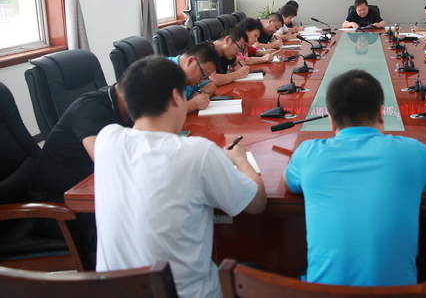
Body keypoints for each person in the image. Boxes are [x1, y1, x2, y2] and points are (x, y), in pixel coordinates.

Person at [94, 56, 266, 298]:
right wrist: (240, 159)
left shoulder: (106, 139)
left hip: (113, 292)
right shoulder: (198, 153)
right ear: (177, 97)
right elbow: (257, 203)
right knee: (256, 272)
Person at [283, 69, 426, 287]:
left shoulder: (307, 153)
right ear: (381, 113)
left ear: (331, 120)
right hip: (399, 294)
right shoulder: (412, 151)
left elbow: (289, 184)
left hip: (325, 293)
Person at [29, 81, 132, 267]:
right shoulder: (90, 109)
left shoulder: (125, 107)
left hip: (84, 194)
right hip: (53, 208)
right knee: (130, 231)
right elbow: (108, 164)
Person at [166, 42, 219, 112]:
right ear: (190, 61)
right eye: (203, 75)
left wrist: (197, 93)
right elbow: (157, 113)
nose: (202, 81)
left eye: (205, 77)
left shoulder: (189, 77)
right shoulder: (160, 71)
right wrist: (193, 104)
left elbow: (211, 85)